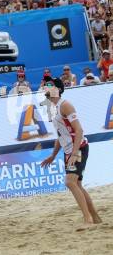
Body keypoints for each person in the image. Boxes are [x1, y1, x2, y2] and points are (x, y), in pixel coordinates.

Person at [41, 77, 101, 224]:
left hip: (79, 147)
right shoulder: (52, 108)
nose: (46, 86)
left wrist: (74, 153)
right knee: (77, 185)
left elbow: (79, 130)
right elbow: (61, 135)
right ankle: (95, 217)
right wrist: (53, 155)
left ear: (58, 90)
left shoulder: (65, 105)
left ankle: (87, 219)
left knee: (70, 182)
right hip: (69, 150)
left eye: (50, 85)